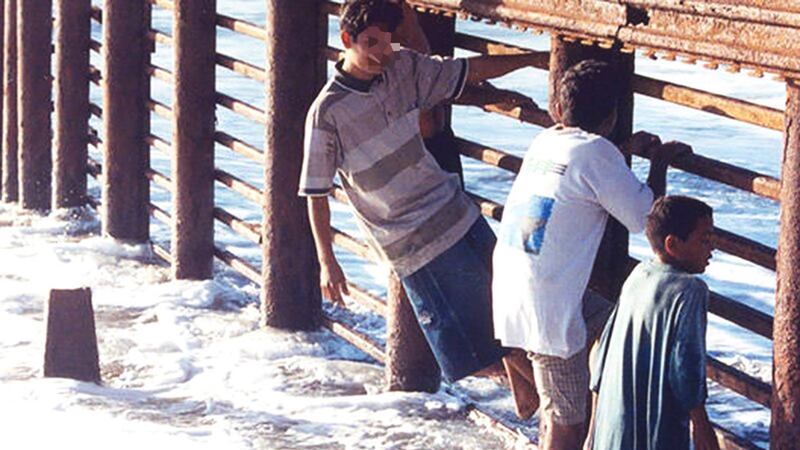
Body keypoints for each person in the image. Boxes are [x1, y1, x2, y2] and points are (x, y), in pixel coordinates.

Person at [299, 0, 540, 383]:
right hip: (414, 240)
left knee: (516, 309)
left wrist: (534, 58)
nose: (382, 54)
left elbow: (465, 71)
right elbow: (316, 194)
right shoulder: (326, 113)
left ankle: (535, 400)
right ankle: (553, 417)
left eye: (389, 43)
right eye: (372, 43)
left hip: (456, 211)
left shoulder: (403, 66)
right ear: (347, 39)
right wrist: (327, 262)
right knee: (480, 348)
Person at [492, 59, 690, 450]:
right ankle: (535, 380)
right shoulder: (599, 153)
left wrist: (621, 151)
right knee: (568, 423)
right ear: (613, 114)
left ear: (561, 108)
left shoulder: (548, 139)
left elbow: (585, 167)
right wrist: (659, 161)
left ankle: (526, 371)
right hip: (548, 303)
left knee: (618, 327)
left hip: (520, 285)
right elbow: (644, 219)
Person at [586, 195, 720, 450]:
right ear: (672, 244)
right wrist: (702, 427)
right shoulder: (690, 290)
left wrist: (592, 432)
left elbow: (601, 354)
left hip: (612, 426)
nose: (711, 249)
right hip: (654, 431)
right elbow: (687, 367)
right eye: (704, 240)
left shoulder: (639, 274)